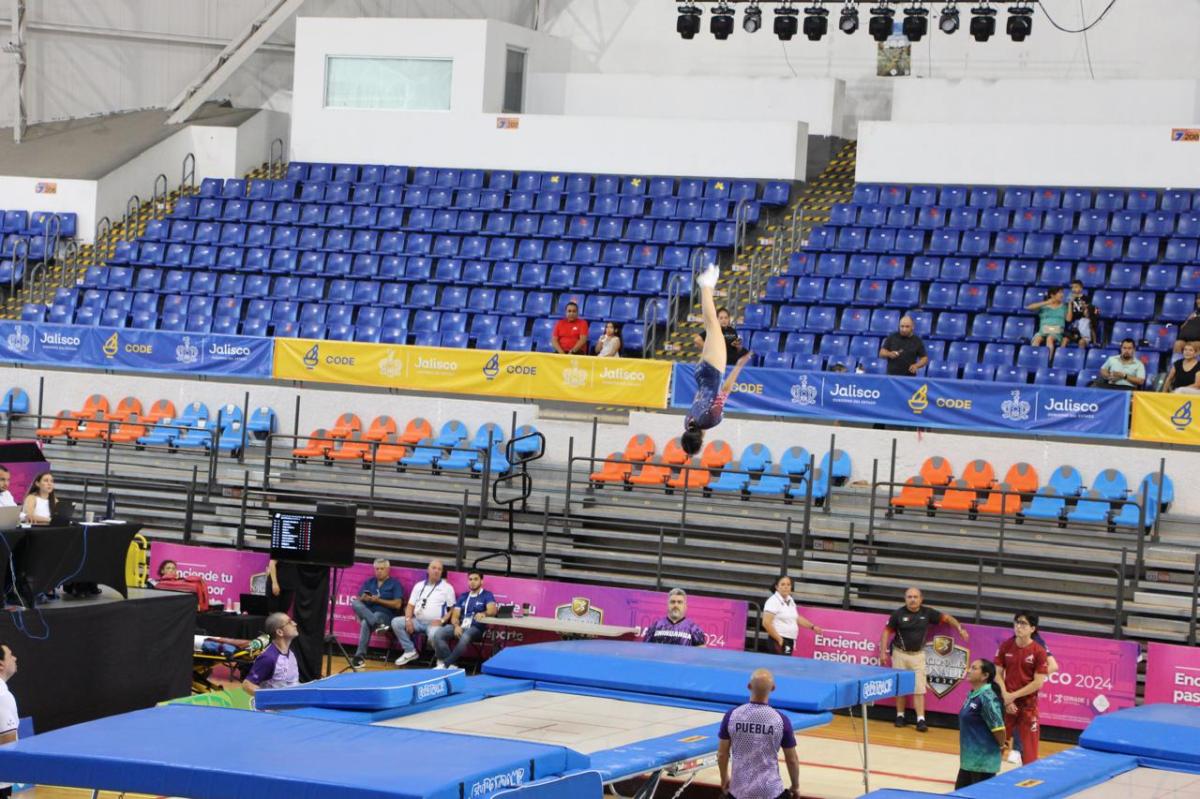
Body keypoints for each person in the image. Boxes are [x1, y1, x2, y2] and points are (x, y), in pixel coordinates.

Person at [680, 264, 754, 457]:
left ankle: (705, 285)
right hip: (701, 375)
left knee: (713, 326)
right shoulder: (688, 422)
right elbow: (699, 397)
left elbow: (725, 390)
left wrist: (739, 365)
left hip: (713, 373)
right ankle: (707, 287)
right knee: (711, 326)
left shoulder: (711, 420)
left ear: (702, 442)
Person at [880, 587, 969, 732]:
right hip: (900, 654)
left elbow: (947, 618)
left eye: (915, 597)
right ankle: (900, 716)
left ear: (921, 599)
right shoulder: (898, 614)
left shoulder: (927, 613)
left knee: (919, 689)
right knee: (901, 687)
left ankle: (920, 720)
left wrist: (960, 628)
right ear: (905, 599)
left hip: (918, 655)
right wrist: (882, 652)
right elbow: (886, 632)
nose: (912, 599)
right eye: (909, 597)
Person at [717, 668, 800, 799]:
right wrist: (795, 786)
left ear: (749, 686)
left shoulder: (732, 716)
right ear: (773, 688)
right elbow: (792, 760)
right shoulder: (781, 721)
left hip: (739, 791)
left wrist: (724, 778)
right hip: (770, 792)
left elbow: (722, 754)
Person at [995, 610, 1049, 765]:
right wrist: (1006, 697)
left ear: (1033, 629)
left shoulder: (1039, 651)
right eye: (1017, 622)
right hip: (1006, 704)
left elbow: (1038, 682)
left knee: (1029, 754)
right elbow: (997, 674)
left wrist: (1014, 696)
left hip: (1027, 707)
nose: (1019, 626)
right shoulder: (1006, 646)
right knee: (995, 746)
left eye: (1023, 623)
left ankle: (1027, 784)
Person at [391, 559, 456, 666]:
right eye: (434, 568)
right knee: (396, 622)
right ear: (428, 570)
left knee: (435, 635)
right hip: (417, 621)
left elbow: (452, 609)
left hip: (434, 624)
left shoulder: (447, 588)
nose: (436, 571)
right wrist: (408, 620)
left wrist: (442, 620)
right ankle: (410, 651)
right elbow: (410, 606)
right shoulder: (419, 585)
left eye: (439, 569)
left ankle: (441, 659)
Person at [956, 659, 1008, 789]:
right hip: (969, 761)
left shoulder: (987, 697)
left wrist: (1002, 745)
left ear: (985, 676)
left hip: (983, 762)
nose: (969, 670)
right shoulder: (972, 695)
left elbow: (998, 728)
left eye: (974, 668)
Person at [432, 569, 497, 669]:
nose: (472, 582)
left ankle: (445, 664)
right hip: (461, 625)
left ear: (481, 581)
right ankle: (452, 664)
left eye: (476, 579)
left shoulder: (487, 595)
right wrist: (456, 626)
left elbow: (493, 610)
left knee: (465, 636)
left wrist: (484, 613)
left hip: (476, 628)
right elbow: (455, 616)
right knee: (438, 634)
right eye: (470, 579)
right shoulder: (463, 596)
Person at [349, 559, 405, 669]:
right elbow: (359, 598)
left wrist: (378, 601)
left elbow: (398, 605)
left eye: (382, 569)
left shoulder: (395, 584)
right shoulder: (369, 582)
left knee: (369, 620)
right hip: (370, 614)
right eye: (377, 569)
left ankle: (359, 657)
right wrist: (363, 598)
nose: (379, 571)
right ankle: (376, 625)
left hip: (385, 616)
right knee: (355, 602)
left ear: (388, 570)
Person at [242, 612, 300, 697]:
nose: (295, 624)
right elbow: (247, 685)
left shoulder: (291, 654)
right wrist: (274, 699)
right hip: (274, 709)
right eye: (290, 622)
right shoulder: (268, 657)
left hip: (291, 706)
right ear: (280, 632)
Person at [763, 575, 822, 656]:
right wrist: (780, 640)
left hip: (789, 640)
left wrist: (812, 627)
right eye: (783, 584)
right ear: (777, 587)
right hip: (778, 640)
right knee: (779, 666)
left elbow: (796, 617)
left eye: (788, 584)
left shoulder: (790, 600)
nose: (786, 587)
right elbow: (766, 623)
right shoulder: (773, 601)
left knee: (784, 666)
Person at [1027, 288, 1067, 363]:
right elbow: (1029, 307)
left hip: (1056, 330)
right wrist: (1046, 302)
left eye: (1062, 293)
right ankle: (1033, 360)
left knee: (1050, 338)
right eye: (1060, 293)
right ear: (1052, 295)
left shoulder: (1064, 307)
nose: (1062, 295)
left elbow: (1068, 318)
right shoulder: (1044, 306)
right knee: (1037, 339)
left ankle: (1047, 361)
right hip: (1043, 330)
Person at [0, 641, 18, 799]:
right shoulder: (3, 697)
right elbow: (8, 741)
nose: (15, 658)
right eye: (10, 655)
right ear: (1, 665)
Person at [1065, 280, 1094, 348]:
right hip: (1073, 325)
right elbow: (1068, 318)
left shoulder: (1086, 298)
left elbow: (1089, 313)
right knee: (1064, 340)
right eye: (1072, 287)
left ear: (1081, 288)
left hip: (1083, 324)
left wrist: (1085, 307)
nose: (1074, 289)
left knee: (1082, 341)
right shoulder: (1069, 299)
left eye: (1076, 287)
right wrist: (1070, 302)